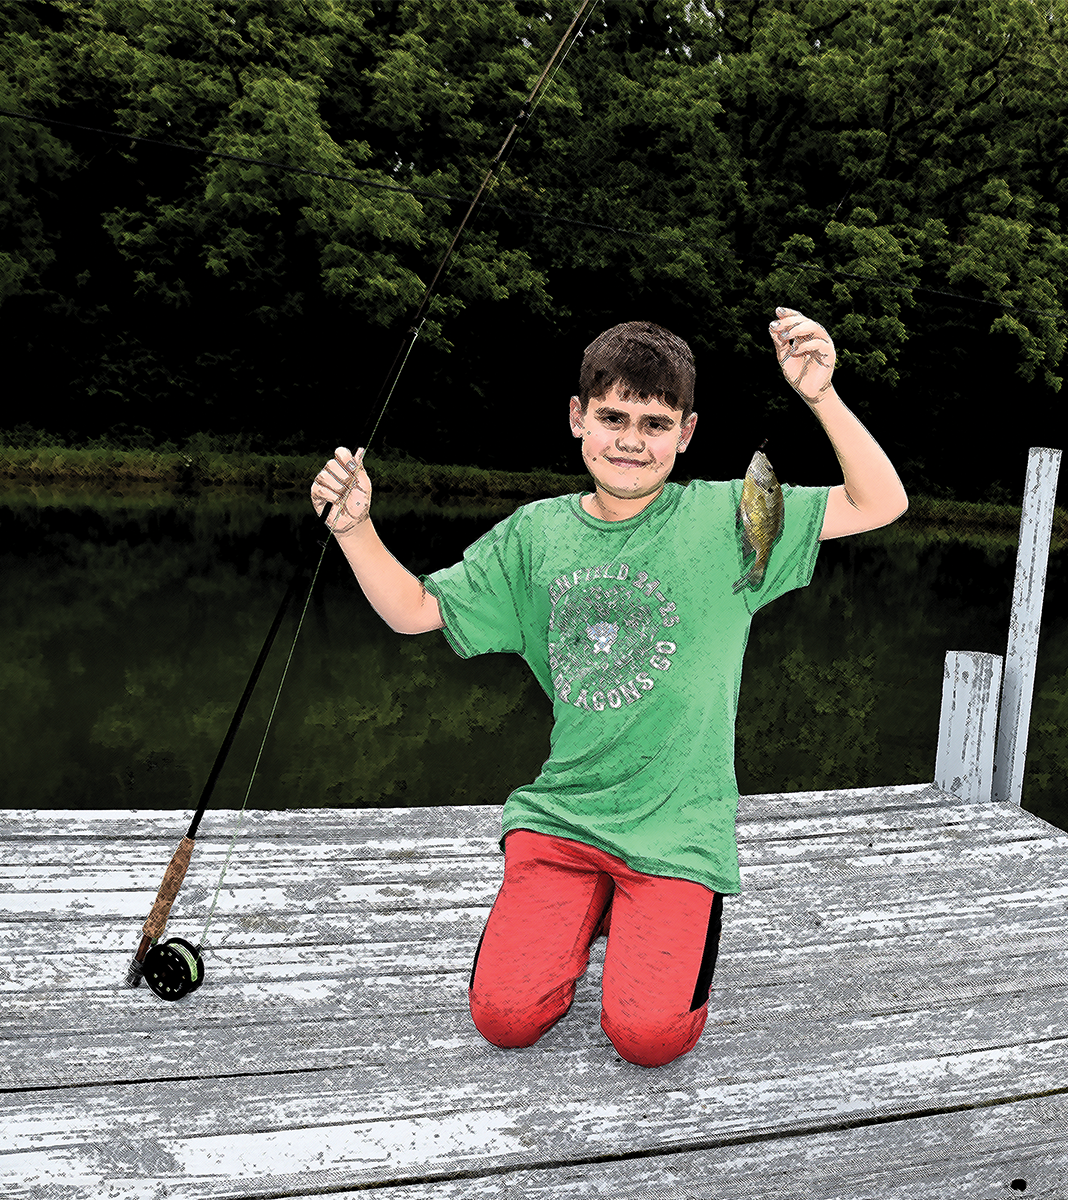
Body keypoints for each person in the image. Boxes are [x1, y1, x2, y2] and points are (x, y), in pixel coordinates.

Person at [310, 306, 908, 1069]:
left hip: (678, 829)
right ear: (576, 418)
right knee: (503, 1018)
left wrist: (821, 397)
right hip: (565, 817)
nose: (631, 439)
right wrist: (355, 528)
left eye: (656, 423)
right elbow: (416, 609)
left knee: (648, 1039)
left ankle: (662, 914)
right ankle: (586, 911)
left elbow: (880, 504)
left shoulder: (728, 515)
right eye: (613, 416)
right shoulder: (533, 536)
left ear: (687, 433)